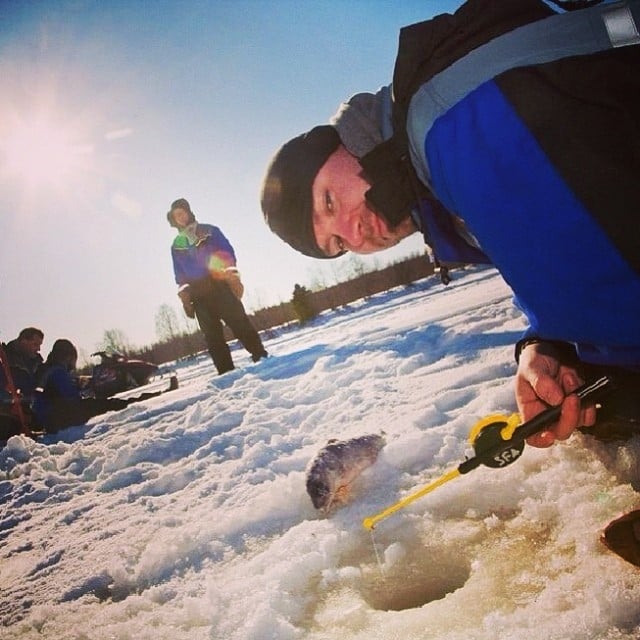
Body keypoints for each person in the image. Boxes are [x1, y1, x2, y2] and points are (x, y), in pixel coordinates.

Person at [260, 1, 640, 563]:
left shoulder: (452, 124)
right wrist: (548, 347)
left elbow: (616, 283)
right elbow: (578, 246)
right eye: (337, 245)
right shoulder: (437, 162)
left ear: (343, 141)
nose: (354, 232)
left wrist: (598, 364)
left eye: (329, 201)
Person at [167, 198, 268, 374]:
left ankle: (260, 356)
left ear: (189, 212)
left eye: (182, 213)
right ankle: (226, 371)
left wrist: (232, 276)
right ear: (174, 220)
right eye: (176, 216)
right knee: (212, 336)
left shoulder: (210, 230)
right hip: (198, 294)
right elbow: (179, 274)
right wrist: (185, 296)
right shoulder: (176, 246)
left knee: (239, 322)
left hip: (219, 283)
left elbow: (227, 251)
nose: (180, 218)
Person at [32, 339, 176, 433]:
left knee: (104, 404)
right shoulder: (57, 371)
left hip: (52, 418)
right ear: (68, 357)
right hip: (62, 417)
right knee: (110, 404)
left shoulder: (46, 369)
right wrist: (82, 389)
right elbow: (70, 396)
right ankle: (155, 396)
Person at [0, 327, 44, 437]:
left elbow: (38, 384)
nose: (38, 349)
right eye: (35, 344)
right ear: (23, 341)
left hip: (26, 410)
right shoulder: (6, 359)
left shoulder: (36, 362)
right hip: (8, 409)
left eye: (40, 345)